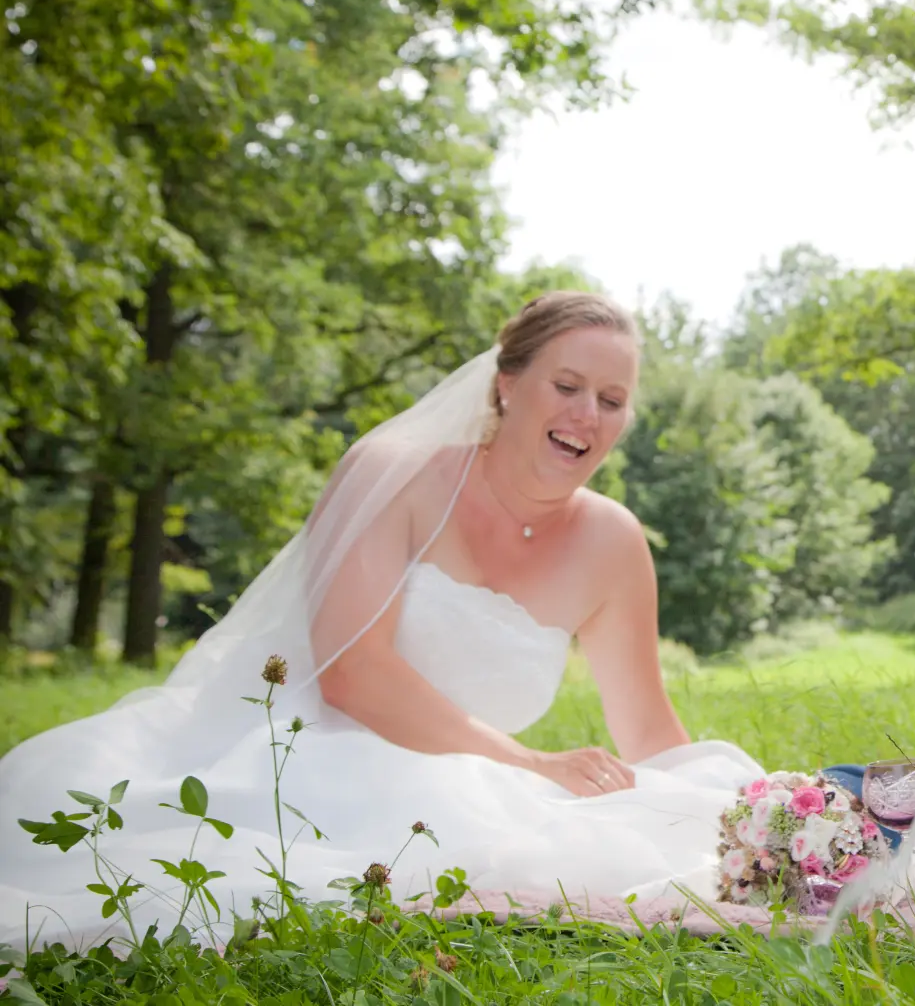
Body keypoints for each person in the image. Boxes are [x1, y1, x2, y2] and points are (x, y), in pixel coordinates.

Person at [0, 292, 781, 951]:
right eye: (567, 385)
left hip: (478, 783)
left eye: (611, 401)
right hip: (307, 754)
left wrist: (738, 815)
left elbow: (648, 731)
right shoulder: (394, 473)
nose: (588, 415)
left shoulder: (614, 542)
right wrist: (532, 764)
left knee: (676, 822)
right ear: (506, 383)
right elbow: (351, 674)